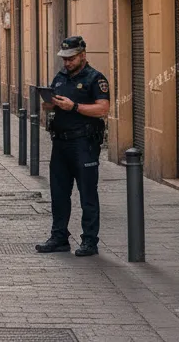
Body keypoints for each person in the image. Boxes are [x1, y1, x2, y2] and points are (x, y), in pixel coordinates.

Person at [36, 35, 110, 257]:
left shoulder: (95, 79)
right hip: (60, 143)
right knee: (59, 193)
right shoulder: (60, 77)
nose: (66, 63)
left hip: (84, 143)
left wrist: (74, 107)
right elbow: (50, 105)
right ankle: (59, 236)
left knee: (87, 193)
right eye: (64, 59)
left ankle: (89, 241)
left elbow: (103, 109)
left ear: (83, 55)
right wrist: (49, 103)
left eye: (71, 58)